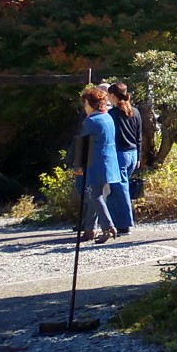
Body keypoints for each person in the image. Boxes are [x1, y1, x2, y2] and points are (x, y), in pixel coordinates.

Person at [75, 86, 123, 244]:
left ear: (89, 103)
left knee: (95, 196)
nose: (84, 107)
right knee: (96, 196)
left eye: (85, 104)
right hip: (110, 162)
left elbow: (83, 145)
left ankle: (108, 227)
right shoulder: (108, 117)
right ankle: (89, 230)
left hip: (96, 163)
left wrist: (78, 165)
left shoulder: (91, 121)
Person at [105, 83, 142, 235]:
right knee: (121, 186)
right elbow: (139, 135)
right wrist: (139, 156)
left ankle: (124, 224)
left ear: (113, 96)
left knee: (119, 189)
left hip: (120, 154)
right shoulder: (135, 112)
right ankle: (119, 221)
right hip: (133, 153)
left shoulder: (112, 114)